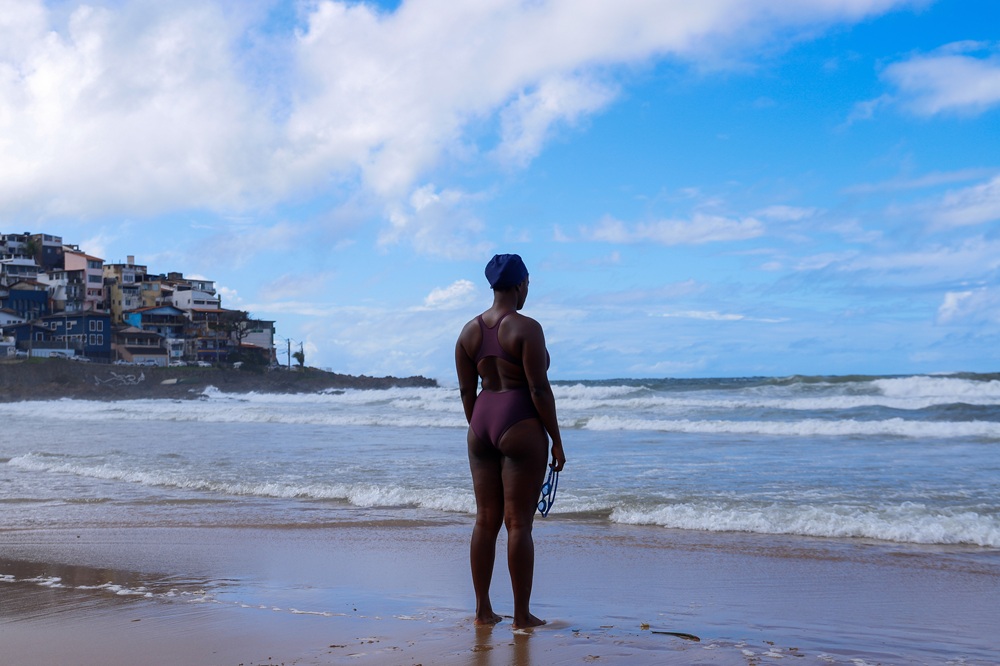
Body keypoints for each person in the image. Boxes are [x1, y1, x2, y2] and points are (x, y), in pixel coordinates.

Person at [455, 253, 566, 629]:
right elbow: (538, 388)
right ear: (520, 285)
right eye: (528, 285)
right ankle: (521, 615)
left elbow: (467, 393)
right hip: (519, 422)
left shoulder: (467, 332)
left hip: (481, 423)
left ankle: (483, 611)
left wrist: (482, 431)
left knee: (486, 520)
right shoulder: (527, 328)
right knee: (519, 523)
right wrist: (556, 439)